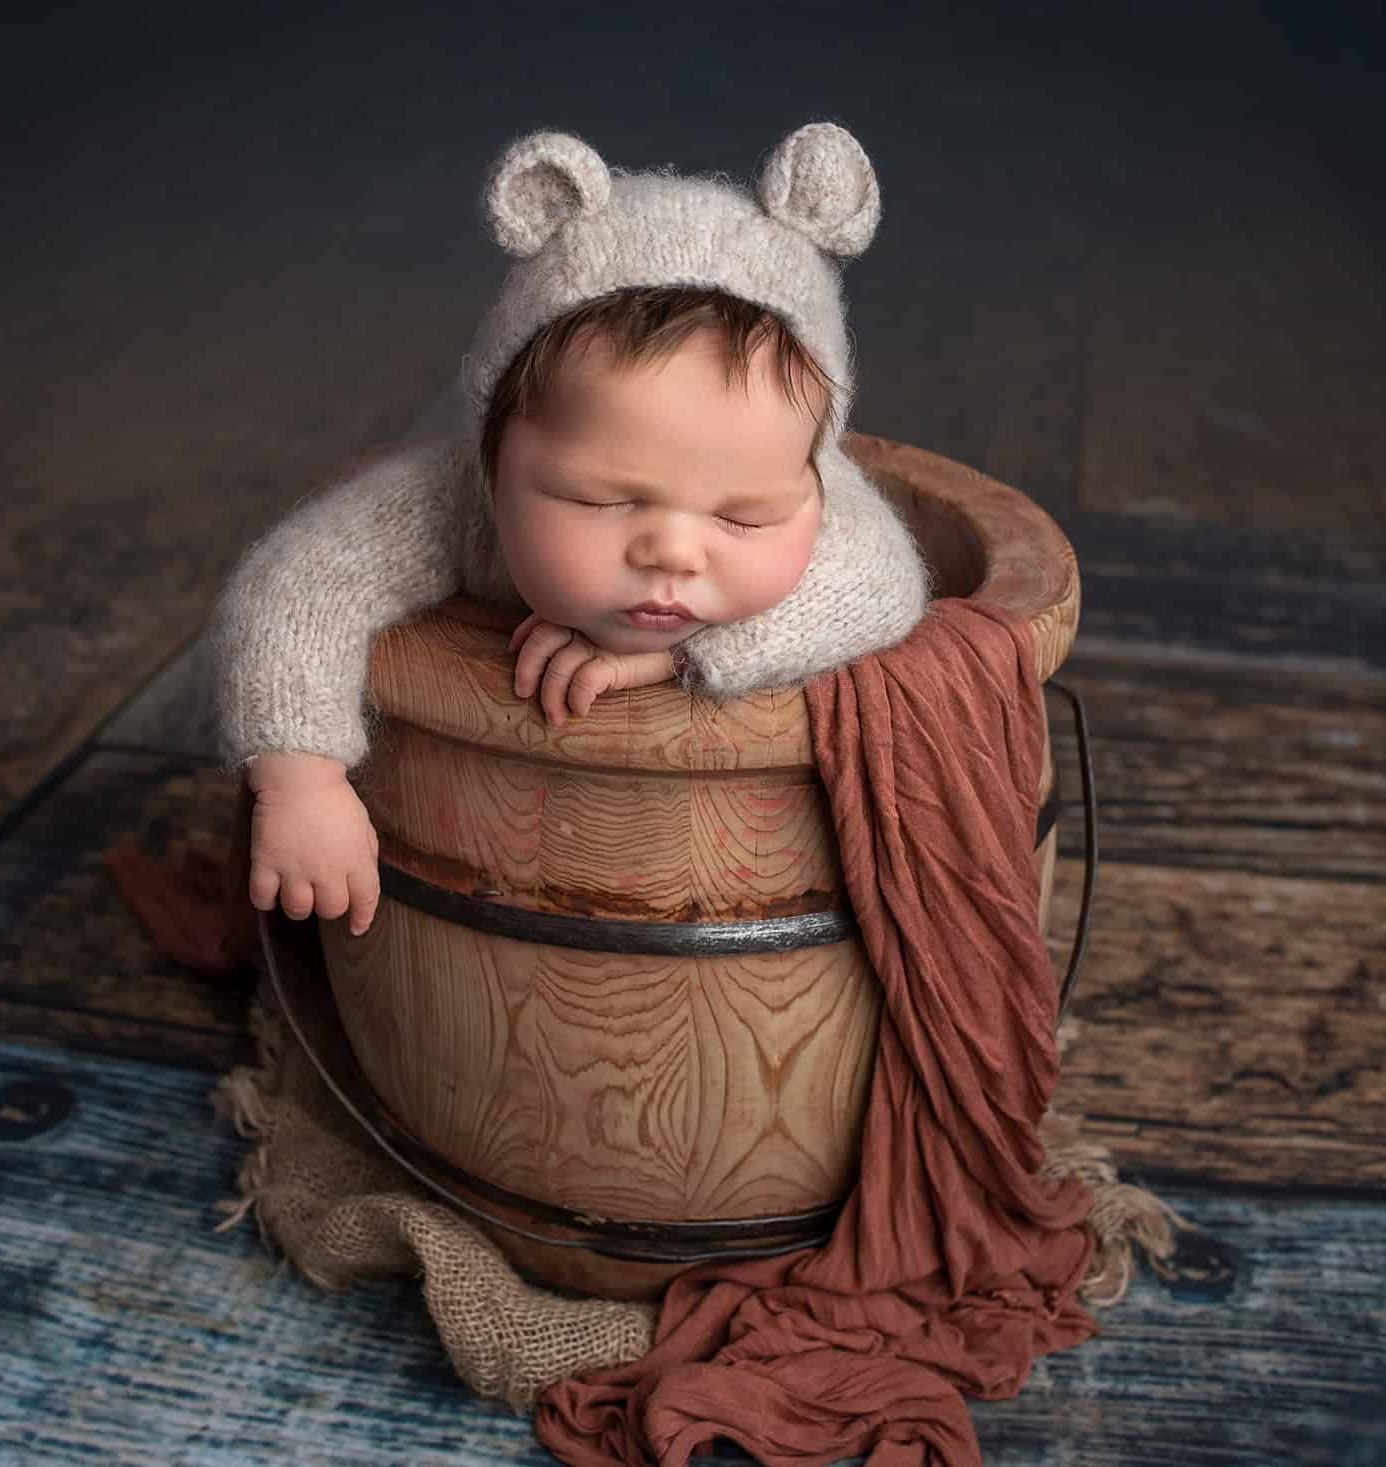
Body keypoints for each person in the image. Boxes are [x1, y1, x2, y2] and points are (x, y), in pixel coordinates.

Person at [209, 123, 930, 938]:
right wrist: (302, 777)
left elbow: (885, 582)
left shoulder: (817, 486)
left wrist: (679, 654)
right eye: (601, 501)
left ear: (808, 474)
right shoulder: (450, 500)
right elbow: (300, 584)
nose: (673, 552)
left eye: (743, 517)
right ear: (497, 457)